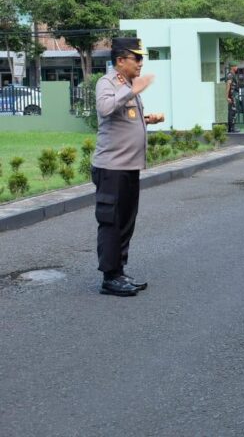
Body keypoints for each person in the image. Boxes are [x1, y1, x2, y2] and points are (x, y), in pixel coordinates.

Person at [92, 37, 164, 297]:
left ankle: (119, 272)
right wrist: (133, 90)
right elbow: (105, 108)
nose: (140, 63)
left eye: (141, 59)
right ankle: (109, 278)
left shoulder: (127, 84)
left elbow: (125, 118)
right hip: (111, 168)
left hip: (129, 167)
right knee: (111, 222)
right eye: (136, 58)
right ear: (120, 60)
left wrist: (148, 119)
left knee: (126, 221)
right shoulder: (107, 83)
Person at [225, 61, 240, 133]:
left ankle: (231, 128)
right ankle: (232, 128)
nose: (237, 67)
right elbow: (228, 85)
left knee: (233, 111)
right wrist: (227, 96)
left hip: (234, 95)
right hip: (232, 95)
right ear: (232, 67)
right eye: (235, 66)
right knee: (232, 111)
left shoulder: (233, 74)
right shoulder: (230, 75)